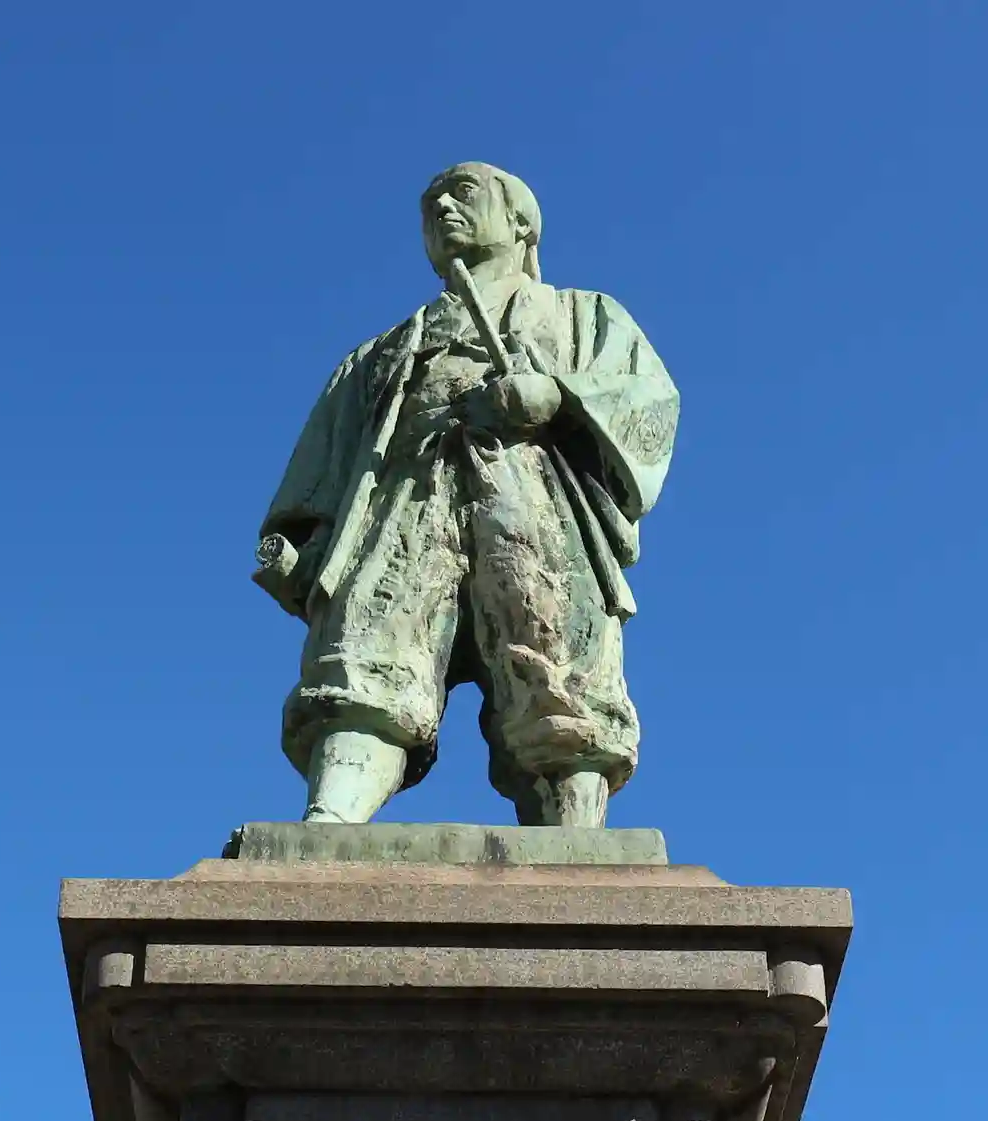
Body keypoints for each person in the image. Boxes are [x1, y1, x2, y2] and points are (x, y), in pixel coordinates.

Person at [253, 163, 680, 827]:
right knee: (367, 653)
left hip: (533, 500)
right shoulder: (387, 350)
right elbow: (330, 452)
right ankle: (331, 815)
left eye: (463, 192)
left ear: (521, 221)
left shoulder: (584, 316)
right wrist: (305, 541)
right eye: (432, 203)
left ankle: (573, 836)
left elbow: (646, 401)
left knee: (557, 665)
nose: (443, 208)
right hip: (405, 499)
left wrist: (555, 397)